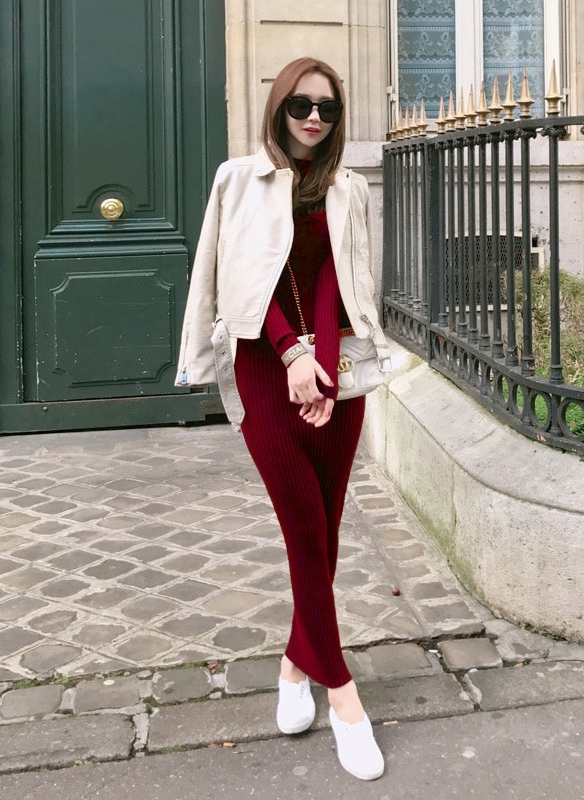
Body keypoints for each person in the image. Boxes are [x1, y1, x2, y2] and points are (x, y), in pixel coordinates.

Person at [176, 57, 392, 781]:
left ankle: (295, 664)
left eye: (328, 108)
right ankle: (344, 695)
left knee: (324, 532)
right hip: (265, 369)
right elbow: (238, 278)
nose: (314, 118)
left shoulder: (349, 187)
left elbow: (338, 278)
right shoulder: (238, 179)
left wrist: (322, 364)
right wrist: (292, 355)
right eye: (301, 105)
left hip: (335, 370)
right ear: (278, 107)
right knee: (302, 525)